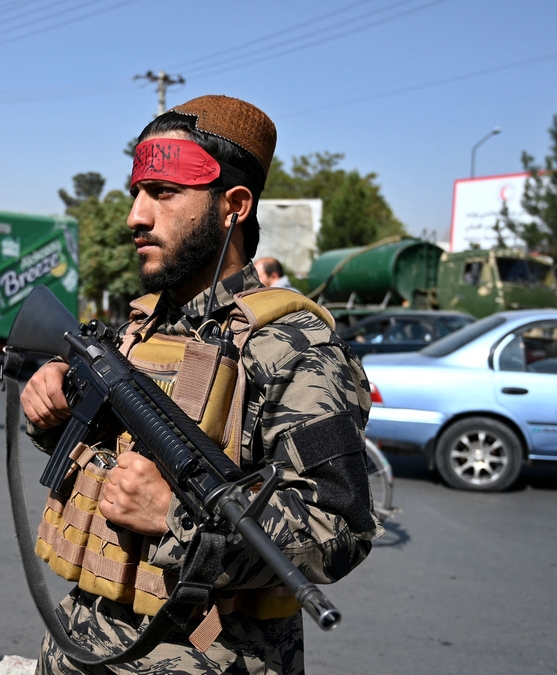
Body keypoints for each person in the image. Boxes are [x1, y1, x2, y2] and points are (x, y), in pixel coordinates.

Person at [21, 95, 380, 675]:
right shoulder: (141, 325)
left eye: (163, 193)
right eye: (136, 193)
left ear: (234, 206)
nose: (135, 216)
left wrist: (176, 518)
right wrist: (55, 408)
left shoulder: (293, 348)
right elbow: (101, 458)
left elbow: (340, 527)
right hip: (80, 645)